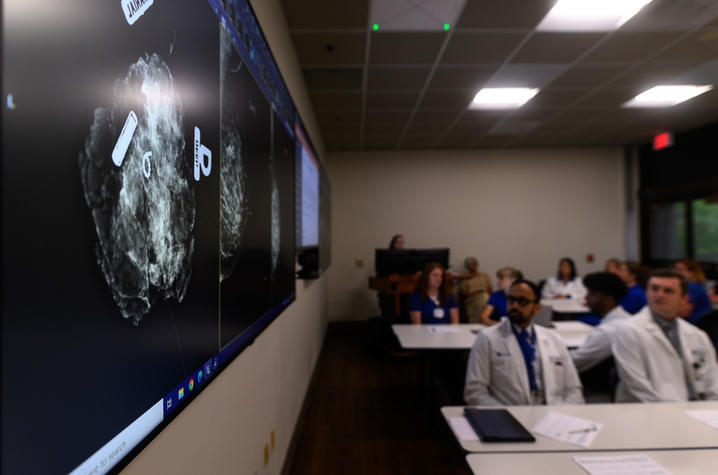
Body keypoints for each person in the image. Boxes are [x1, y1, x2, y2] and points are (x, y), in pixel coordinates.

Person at [464, 279, 584, 405]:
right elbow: (474, 392)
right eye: (511, 300)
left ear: (537, 308)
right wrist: (506, 417)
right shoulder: (487, 338)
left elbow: (573, 389)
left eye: (522, 301)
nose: (514, 306)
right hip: (508, 416)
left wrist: (563, 416)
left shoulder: (554, 339)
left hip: (553, 414)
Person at [613, 269, 718, 402]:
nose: (659, 295)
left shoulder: (697, 335)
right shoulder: (629, 330)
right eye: (654, 289)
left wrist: (711, 409)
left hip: (697, 410)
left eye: (668, 291)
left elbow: (713, 382)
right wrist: (672, 415)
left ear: (684, 298)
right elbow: (637, 387)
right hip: (648, 412)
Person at [570, 272, 631, 373]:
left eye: (591, 293)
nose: (586, 297)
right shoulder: (625, 318)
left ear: (608, 298)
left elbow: (573, 362)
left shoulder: (607, 331)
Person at [674, 259, 712, 324]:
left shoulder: (692, 287)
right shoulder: (695, 286)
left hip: (695, 325)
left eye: (680, 270)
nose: (675, 272)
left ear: (692, 273)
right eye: (675, 269)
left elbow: (683, 312)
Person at [459, 257, 492, 323]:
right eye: (471, 264)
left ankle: (483, 321)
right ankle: (479, 322)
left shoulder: (484, 275)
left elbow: (490, 288)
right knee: (483, 299)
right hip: (472, 298)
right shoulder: (465, 278)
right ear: (468, 267)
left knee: (484, 297)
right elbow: (463, 293)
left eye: (475, 263)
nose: (474, 266)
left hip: (485, 295)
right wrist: (475, 292)